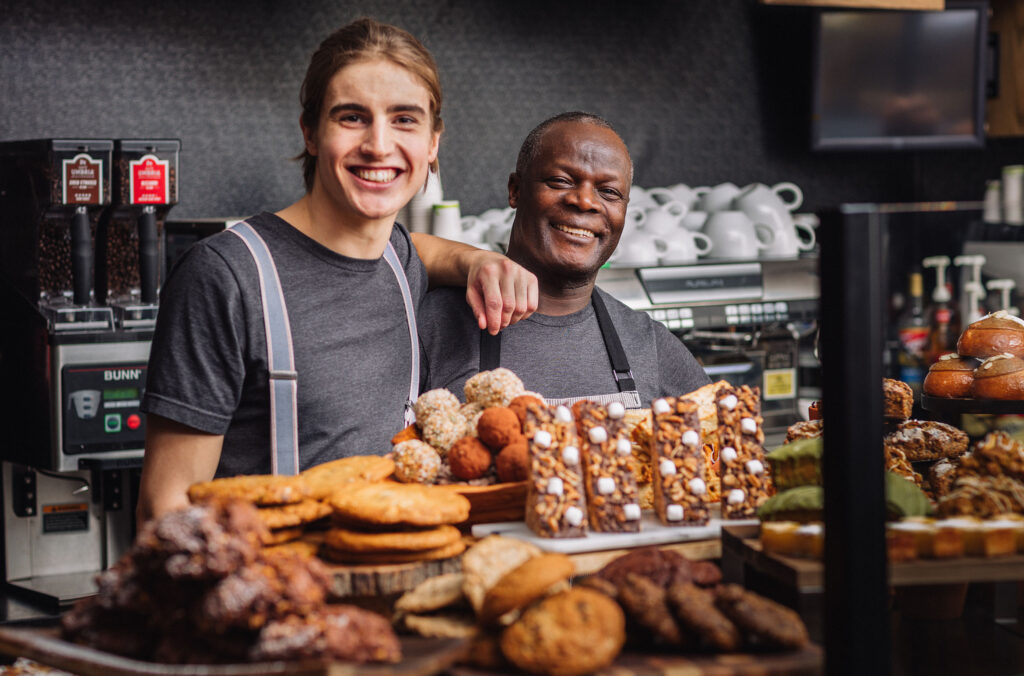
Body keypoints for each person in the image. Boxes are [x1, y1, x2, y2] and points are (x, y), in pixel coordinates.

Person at [136, 18, 537, 523]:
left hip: (386, 576)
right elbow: (164, 509)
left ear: (433, 144)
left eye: (404, 120)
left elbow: (419, 248)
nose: (378, 144)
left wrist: (480, 259)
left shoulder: (398, 258)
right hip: (277, 591)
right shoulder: (225, 277)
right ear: (310, 132)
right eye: (352, 117)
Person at [420, 112, 709, 408]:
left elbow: (722, 446)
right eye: (560, 181)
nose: (585, 201)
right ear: (515, 190)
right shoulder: (432, 327)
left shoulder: (647, 342)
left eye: (609, 192)